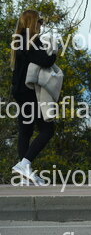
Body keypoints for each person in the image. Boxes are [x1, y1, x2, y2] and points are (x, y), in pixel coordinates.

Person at [10, 10, 56, 185]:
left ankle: (25, 176)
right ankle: (25, 164)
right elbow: (46, 60)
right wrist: (54, 51)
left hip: (19, 91)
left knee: (26, 131)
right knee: (47, 129)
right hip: (29, 92)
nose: (41, 24)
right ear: (32, 22)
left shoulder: (18, 40)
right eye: (39, 21)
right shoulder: (31, 41)